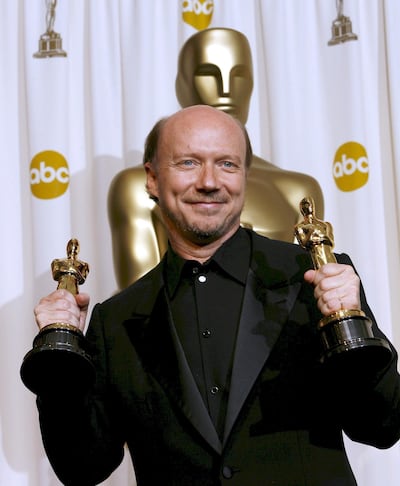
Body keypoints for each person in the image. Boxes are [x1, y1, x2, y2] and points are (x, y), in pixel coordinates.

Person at [32, 105, 400, 486]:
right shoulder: (117, 321)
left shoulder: (312, 279)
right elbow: (82, 467)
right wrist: (59, 364)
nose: (209, 182)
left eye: (226, 164)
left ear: (244, 176)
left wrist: (354, 327)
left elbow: (382, 426)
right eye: (188, 163)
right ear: (152, 179)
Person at [108, 28, 325, 289]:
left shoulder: (298, 191)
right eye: (208, 74)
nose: (225, 90)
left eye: (239, 76)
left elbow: (315, 292)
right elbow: (137, 307)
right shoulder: (137, 186)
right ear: (182, 85)